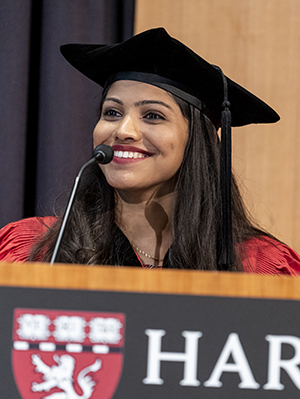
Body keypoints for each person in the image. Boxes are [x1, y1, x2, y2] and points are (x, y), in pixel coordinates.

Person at [0, 27, 300, 275]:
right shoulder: (32, 251)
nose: (123, 131)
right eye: (112, 113)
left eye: (153, 116)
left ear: (196, 140)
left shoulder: (259, 266)